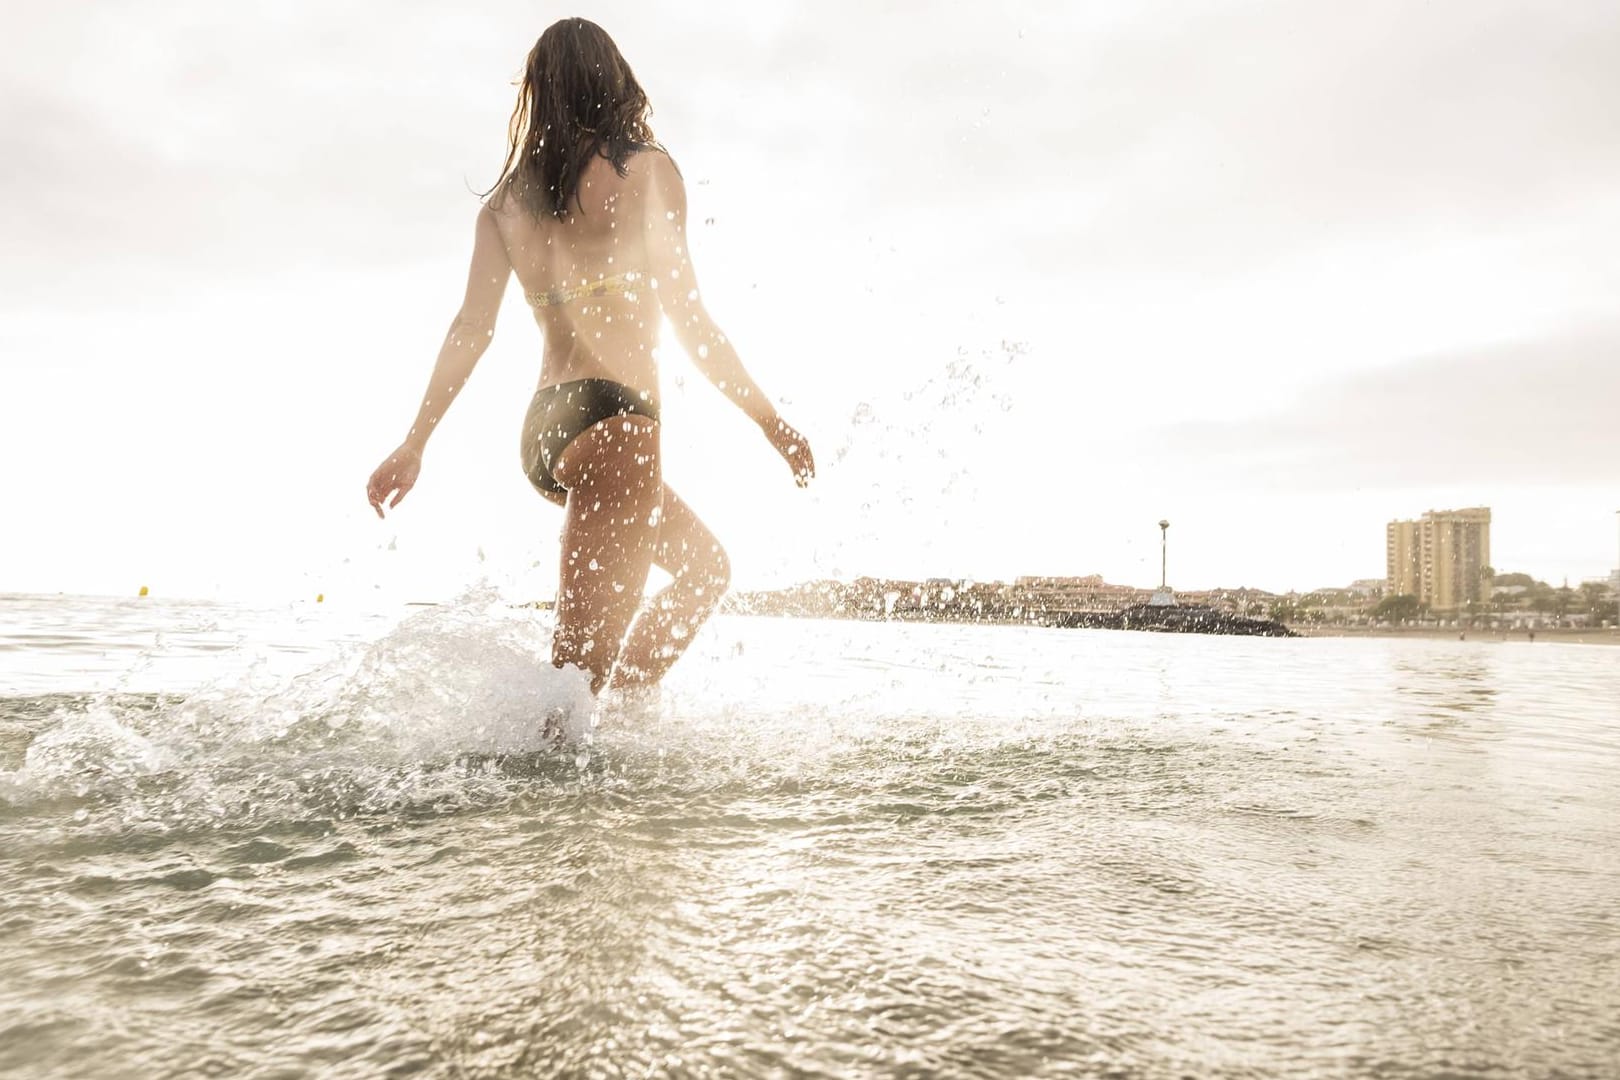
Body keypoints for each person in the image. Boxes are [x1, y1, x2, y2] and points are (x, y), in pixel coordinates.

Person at [365, 18, 814, 694]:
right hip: (616, 423)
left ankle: (628, 725)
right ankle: (557, 762)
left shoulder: (505, 205)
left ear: (538, 96)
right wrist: (768, 420)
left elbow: (470, 328)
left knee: (703, 571)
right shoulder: (648, 171)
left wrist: (414, 442)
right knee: (574, 686)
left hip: (547, 431)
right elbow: (690, 320)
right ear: (613, 80)